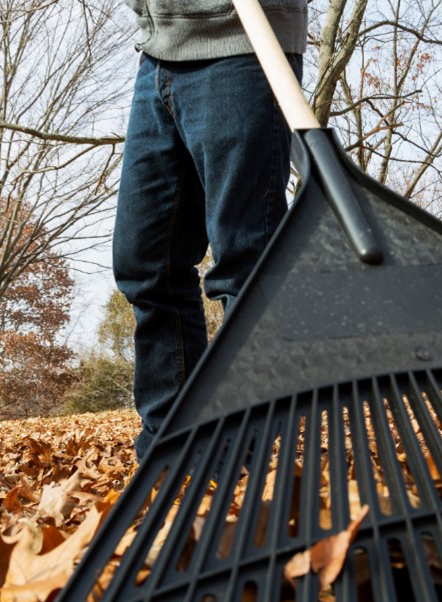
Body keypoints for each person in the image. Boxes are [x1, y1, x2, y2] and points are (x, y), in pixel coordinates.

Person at [114, 0, 308, 458]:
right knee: (144, 264)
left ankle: (249, 448)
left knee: (244, 257)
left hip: (241, 41)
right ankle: (173, 446)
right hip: (159, 50)